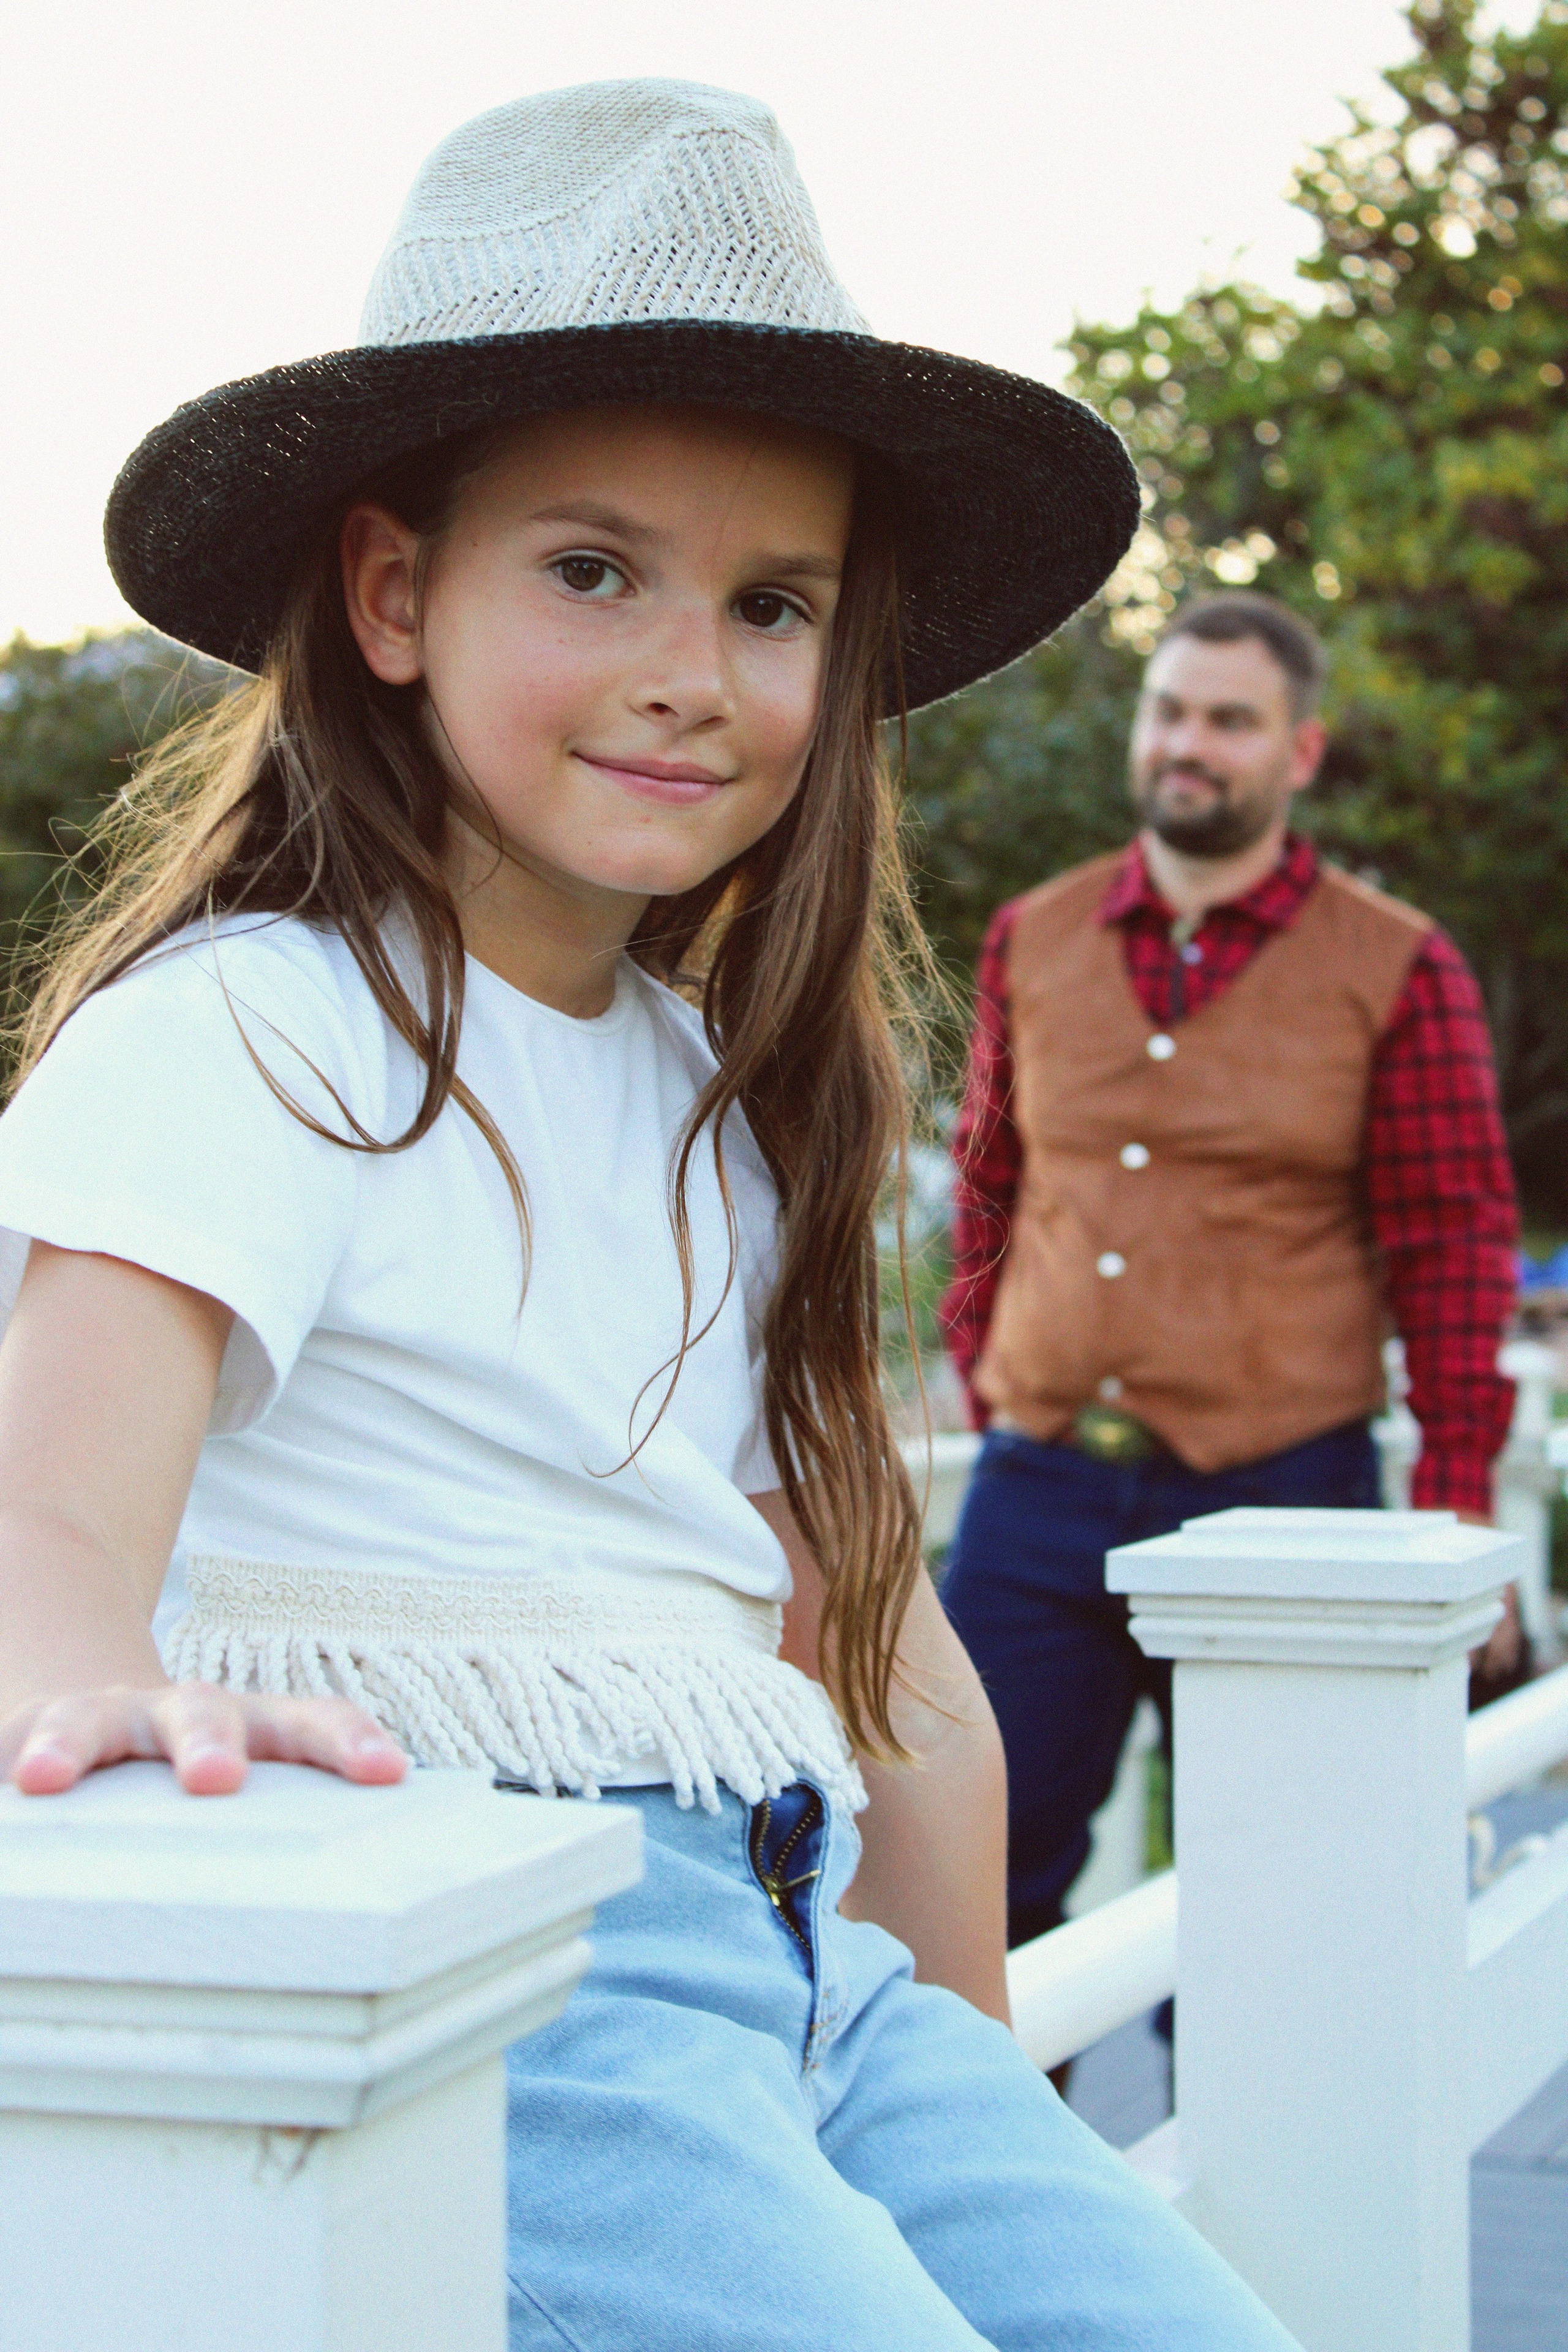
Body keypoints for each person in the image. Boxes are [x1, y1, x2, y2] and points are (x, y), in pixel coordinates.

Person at [0, 83, 1295, 2352]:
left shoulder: (725, 1100)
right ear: (394, 594)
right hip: (528, 1989)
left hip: (807, 1972)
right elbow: (43, 1519)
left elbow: (869, 1653)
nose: (696, 665)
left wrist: (949, 2090)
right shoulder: (256, 1038)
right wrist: (103, 1695)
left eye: (774, 602)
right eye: (592, 570)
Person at [939, 589, 1521, 1954]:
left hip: (1282, 1496)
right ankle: (1013, 2170)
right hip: (1039, 1492)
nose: (1186, 744)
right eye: (1169, 710)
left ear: (1296, 755)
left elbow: (1450, 1251)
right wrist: (987, 1376)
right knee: (973, 1881)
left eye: (1228, 720)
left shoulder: (1397, 965)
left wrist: (1449, 1510)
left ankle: (1254, 2175)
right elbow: (984, 1192)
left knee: (1278, 1908)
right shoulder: (1032, 933)